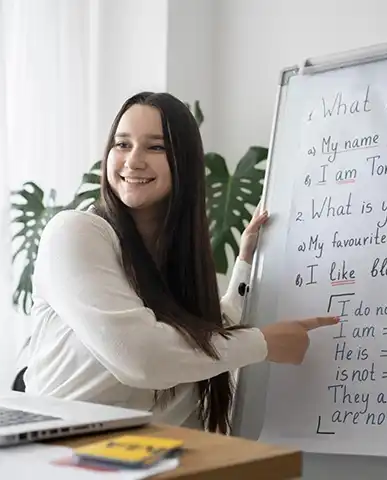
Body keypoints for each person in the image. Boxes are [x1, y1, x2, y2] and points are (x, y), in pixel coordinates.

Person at [19, 91, 338, 434]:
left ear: (183, 162)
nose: (133, 160)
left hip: (142, 457)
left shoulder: (176, 261)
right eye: (122, 144)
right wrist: (264, 342)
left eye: (155, 147)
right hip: (60, 456)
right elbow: (142, 358)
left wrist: (245, 261)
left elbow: (201, 337)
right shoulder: (76, 232)